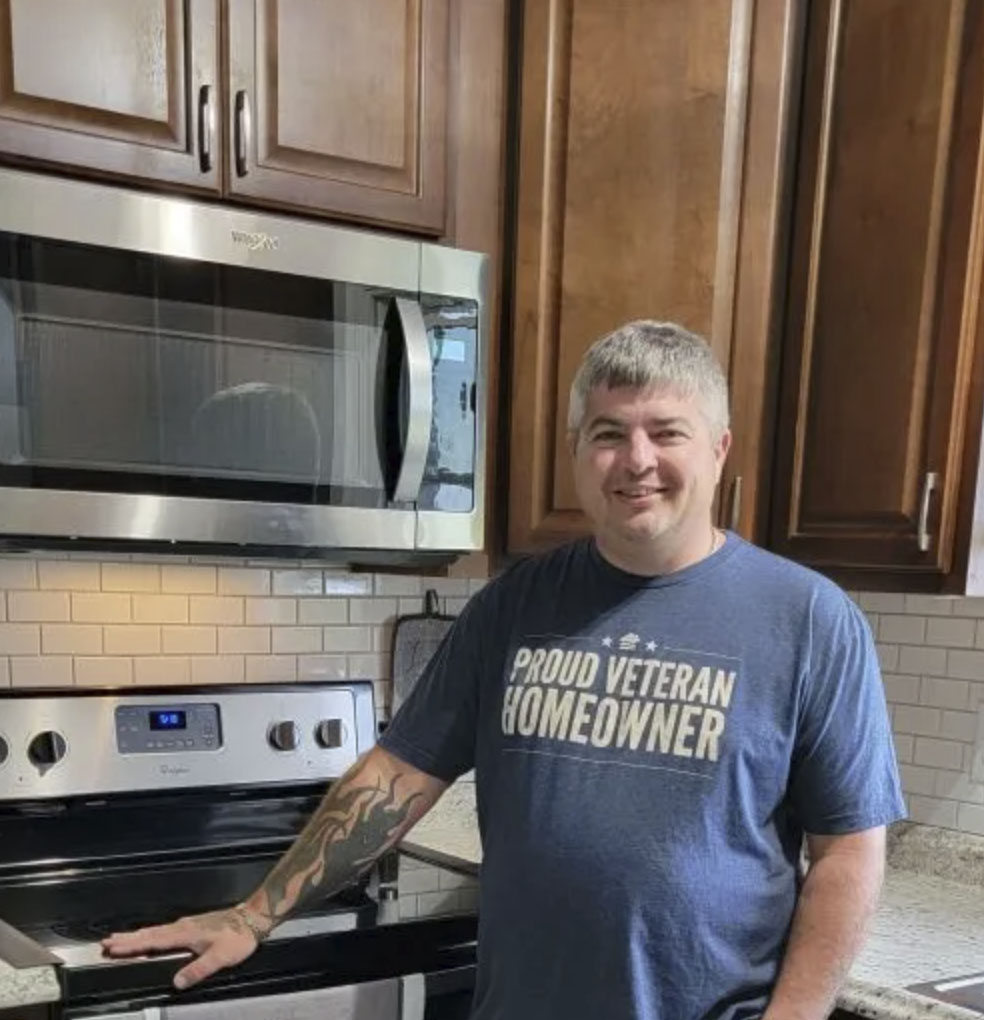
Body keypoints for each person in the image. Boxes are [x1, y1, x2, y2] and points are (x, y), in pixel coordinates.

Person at [104, 320, 905, 1020]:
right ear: (576, 452)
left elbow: (848, 854)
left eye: (667, 432)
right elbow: (397, 774)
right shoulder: (513, 607)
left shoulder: (808, 620)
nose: (636, 460)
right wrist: (254, 916)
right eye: (607, 433)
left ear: (719, 448)